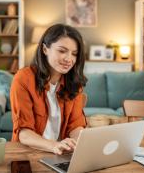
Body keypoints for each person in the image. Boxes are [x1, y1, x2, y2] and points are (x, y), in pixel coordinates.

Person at [10, 23, 87, 155]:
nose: (69, 59)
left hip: (60, 154)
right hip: (28, 153)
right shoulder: (23, 79)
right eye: (62, 51)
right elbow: (24, 133)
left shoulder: (74, 84)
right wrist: (54, 145)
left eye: (74, 54)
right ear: (45, 49)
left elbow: (75, 126)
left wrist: (75, 142)